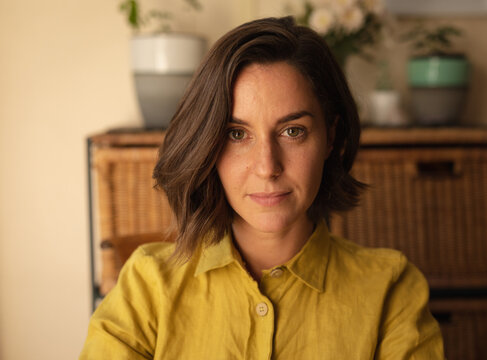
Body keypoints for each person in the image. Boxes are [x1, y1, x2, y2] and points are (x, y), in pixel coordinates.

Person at [80, 16, 444, 359]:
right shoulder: (146, 285)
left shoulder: (391, 290)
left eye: (292, 131)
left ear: (330, 137)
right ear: (208, 144)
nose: (268, 167)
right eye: (237, 134)